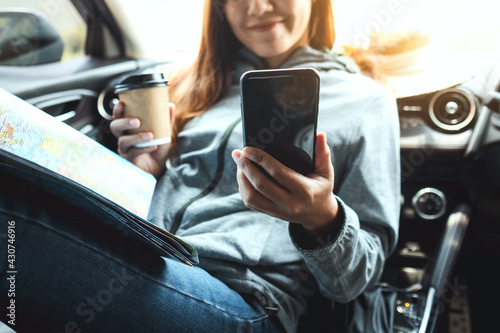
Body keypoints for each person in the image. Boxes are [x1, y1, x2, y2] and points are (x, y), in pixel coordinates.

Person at [0, 0, 400, 332]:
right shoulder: (189, 83)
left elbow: (352, 282)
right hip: (148, 251)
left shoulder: (366, 102)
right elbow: (147, 199)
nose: (257, 7)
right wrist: (145, 171)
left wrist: (322, 218)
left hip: (244, 302)